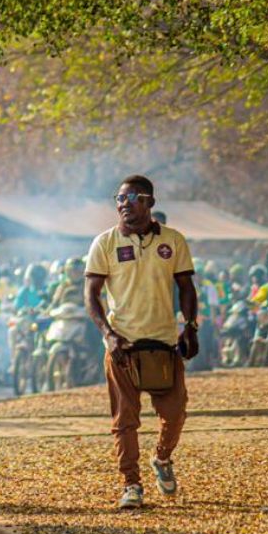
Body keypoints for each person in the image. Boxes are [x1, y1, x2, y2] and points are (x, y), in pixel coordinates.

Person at [85, 175, 197, 510]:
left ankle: (161, 458)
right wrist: (108, 334)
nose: (124, 204)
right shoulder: (104, 243)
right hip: (122, 346)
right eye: (120, 198)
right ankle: (131, 484)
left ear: (149, 202)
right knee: (125, 420)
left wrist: (190, 327)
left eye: (133, 197)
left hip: (164, 344)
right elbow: (91, 295)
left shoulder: (173, 240)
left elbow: (186, 287)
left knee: (175, 413)